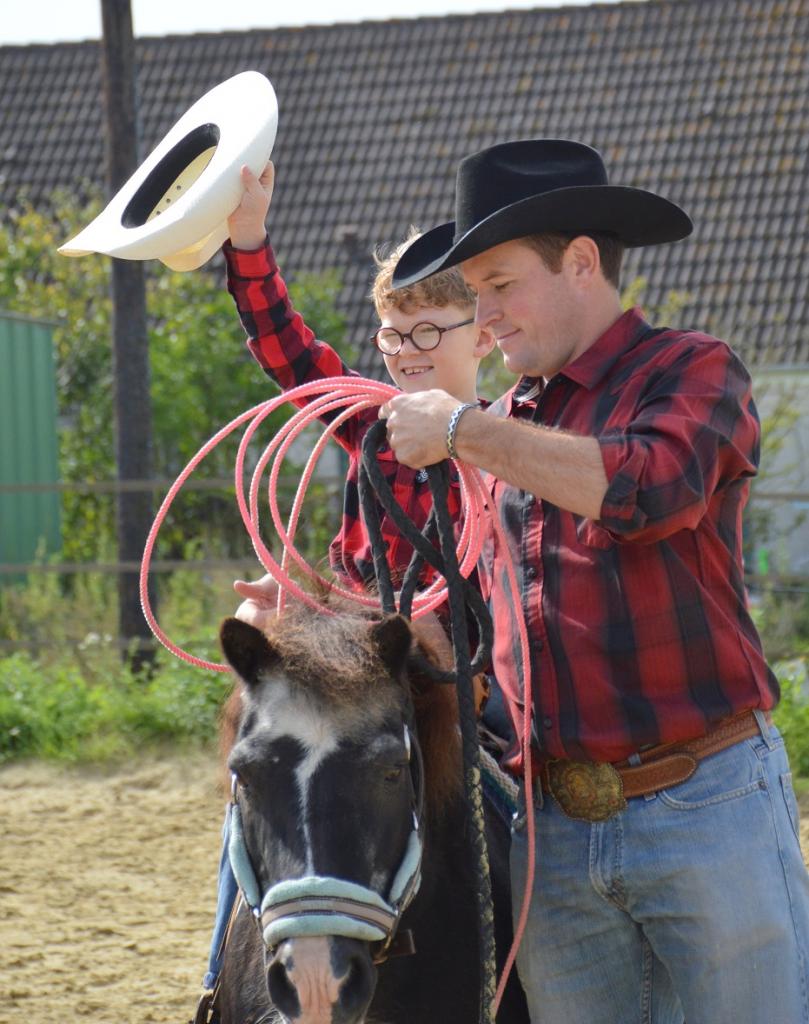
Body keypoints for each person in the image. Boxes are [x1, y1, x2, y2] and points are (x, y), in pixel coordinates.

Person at [379, 138, 809, 1024]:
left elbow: (646, 487)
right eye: (476, 295)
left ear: (580, 262)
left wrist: (462, 431)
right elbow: (470, 603)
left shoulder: (690, 370)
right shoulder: (499, 424)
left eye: (499, 286)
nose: (482, 317)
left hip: (704, 803)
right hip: (551, 830)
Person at [193, 160, 496, 1022]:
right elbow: (291, 354)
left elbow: (506, 584)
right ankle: (225, 982)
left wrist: (439, 632)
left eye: (427, 333)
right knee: (254, 800)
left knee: (516, 818)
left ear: (484, 335)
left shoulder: (506, 448)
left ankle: (520, 981)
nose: (403, 354)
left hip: (467, 693)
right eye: (391, 337)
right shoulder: (367, 428)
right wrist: (248, 241)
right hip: (359, 678)